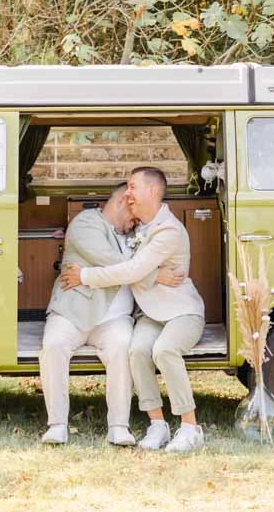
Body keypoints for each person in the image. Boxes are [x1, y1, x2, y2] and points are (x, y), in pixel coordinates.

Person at [60, 166, 206, 452]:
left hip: (181, 312)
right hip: (151, 314)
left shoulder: (168, 231)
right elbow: (131, 266)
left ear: (152, 190)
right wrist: (155, 276)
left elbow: (131, 270)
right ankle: (157, 424)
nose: (127, 193)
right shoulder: (141, 226)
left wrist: (84, 276)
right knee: (137, 351)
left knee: (164, 350)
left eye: (132, 186)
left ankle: (191, 428)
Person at [39, 183, 182, 446]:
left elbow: (133, 265)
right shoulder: (86, 223)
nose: (136, 220)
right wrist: (154, 275)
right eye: (132, 212)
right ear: (120, 202)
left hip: (115, 319)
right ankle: (57, 425)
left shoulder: (136, 232)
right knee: (54, 345)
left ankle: (118, 427)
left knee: (122, 347)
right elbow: (112, 261)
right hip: (73, 310)